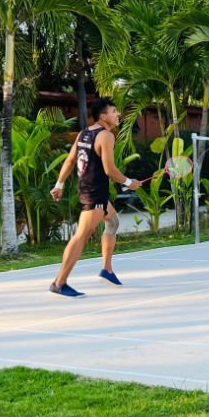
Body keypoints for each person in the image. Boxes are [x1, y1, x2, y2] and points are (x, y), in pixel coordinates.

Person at [49, 97, 140, 298]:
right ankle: (59, 282)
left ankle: (106, 270)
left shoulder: (84, 133)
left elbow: (71, 159)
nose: (118, 115)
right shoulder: (106, 136)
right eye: (114, 111)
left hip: (88, 189)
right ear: (103, 116)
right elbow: (110, 170)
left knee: (113, 221)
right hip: (95, 194)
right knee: (81, 237)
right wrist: (128, 182)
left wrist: (59, 184)